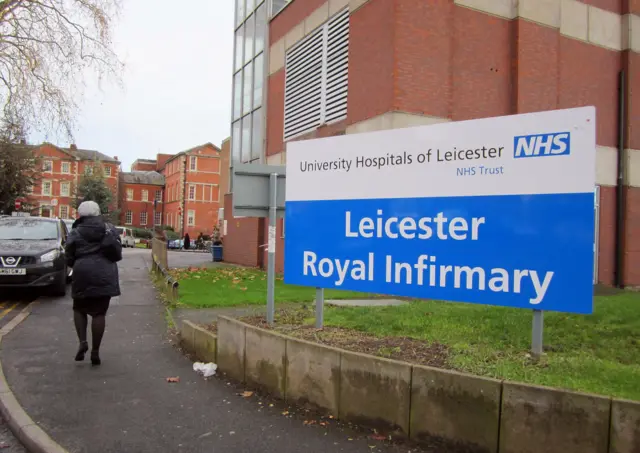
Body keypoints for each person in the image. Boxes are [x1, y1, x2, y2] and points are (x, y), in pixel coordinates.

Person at [65, 201, 122, 366]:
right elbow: (117, 253)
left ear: (80, 214)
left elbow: (69, 255)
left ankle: (83, 342)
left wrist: (76, 263)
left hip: (82, 272)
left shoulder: (76, 231)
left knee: (79, 308)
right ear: (97, 213)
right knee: (99, 313)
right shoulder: (108, 228)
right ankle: (95, 352)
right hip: (105, 273)